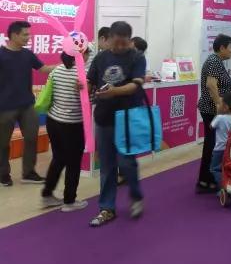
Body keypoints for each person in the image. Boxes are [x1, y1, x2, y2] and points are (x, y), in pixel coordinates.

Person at [87, 21, 147, 227]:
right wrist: (85, 87)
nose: (120, 46)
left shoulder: (137, 57)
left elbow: (135, 85)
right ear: (109, 38)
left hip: (127, 118)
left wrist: (114, 92)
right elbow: (91, 80)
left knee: (127, 162)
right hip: (104, 118)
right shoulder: (100, 57)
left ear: (130, 40)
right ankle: (106, 208)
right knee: (106, 166)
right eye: (117, 42)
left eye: (124, 43)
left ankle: (136, 196)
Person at [0, 21, 55, 186]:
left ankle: (29, 173)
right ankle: (3, 174)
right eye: (25, 34)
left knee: (31, 138)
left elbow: (43, 69)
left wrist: (66, 65)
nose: (28, 37)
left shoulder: (27, 54)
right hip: (4, 106)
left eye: (29, 34)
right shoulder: (1, 55)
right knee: (2, 142)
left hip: (27, 105)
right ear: (14, 35)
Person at [40, 51, 89, 212]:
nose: (88, 56)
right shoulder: (82, 74)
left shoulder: (57, 70)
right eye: (87, 53)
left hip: (53, 121)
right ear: (81, 55)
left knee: (59, 158)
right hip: (71, 124)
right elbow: (88, 101)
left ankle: (47, 195)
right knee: (73, 162)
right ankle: (69, 201)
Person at [197, 34, 231, 194]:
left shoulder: (217, 61)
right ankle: (207, 179)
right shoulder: (214, 61)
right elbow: (211, 85)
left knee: (212, 145)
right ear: (222, 48)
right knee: (212, 145)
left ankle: (208, 179)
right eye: (230, 47)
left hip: (215, 110)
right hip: (212, 110)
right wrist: (220, 105)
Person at [209, 93, 231, 193]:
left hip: (220, 149)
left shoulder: (220, 118)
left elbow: (211, 126)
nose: (218, 106)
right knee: (230, 168)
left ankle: (223, 188)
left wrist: (217, 114)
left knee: (215, 169)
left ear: (225, 107)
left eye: (219, 104)